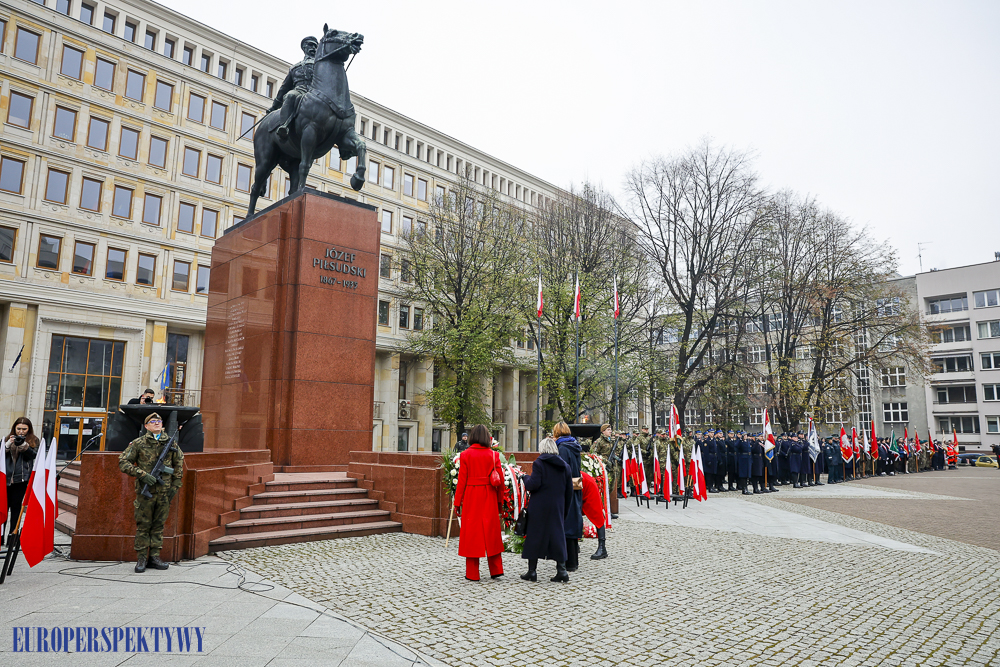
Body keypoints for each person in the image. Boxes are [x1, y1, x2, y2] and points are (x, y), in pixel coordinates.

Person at [118, 412, 184, 573]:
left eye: (159, 421)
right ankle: (141, 558)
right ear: (146, 426)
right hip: (145, 492)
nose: (157, 423)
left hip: (164, 491)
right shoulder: (139, 443)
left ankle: (155, 556)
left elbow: (179, 463)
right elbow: (123, 462)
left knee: (158, 525)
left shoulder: (170, 443)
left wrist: (175, 485)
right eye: (153, 421)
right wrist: (142, 474)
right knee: (143, 525)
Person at [452, 424, 505, 581]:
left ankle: (472, 573)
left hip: (471, 496)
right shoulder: (494, 455)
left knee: (472, 533)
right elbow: (501, 481)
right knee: (492, 532)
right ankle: (496, 569)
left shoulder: (465, 455)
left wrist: (457, 502)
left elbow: (461, 481)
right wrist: (500, 502)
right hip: (489, 495)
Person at [520, 437, 573, 582]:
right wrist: (564, 509)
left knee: (534, 535)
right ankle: (562, 571)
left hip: (539, 505)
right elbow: (569, 490)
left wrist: (525, 478)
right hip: (557, 505)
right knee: (558, 536)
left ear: (542, 449)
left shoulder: (539, 463)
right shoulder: (565, 466)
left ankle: (532, 571)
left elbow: (533, 484)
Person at [270, 36, 318, 139]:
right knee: (290, 95)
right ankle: (284, 126)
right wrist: (274, 106)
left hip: (316, 92)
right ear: (304, 47)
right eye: (311, 45)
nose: (313, 48)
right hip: (300, 91)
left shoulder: (321, 65)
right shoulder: (295, 68)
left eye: (315, 46)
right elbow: (284, 87)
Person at [3, 418, 39, 545]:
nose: (21, 432)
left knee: (16, 509)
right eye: (19, 429)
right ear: (14, 428)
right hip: (6, 479)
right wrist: (7, 445)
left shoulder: (34, 440)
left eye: (24, 429)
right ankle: (1, 536)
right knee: (3, 508)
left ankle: (12, 537)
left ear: (29, 429)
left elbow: (35, 456)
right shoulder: (6, 439)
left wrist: (25, 446)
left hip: (21, 480)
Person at [553, 421, 583, 573]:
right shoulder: (574, 445)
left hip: (566, 489)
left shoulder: (562, 448)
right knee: (572, 522)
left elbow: (562, 470)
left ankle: (567, 562)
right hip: (575, 487)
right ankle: (573, 561)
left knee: (566, 524)